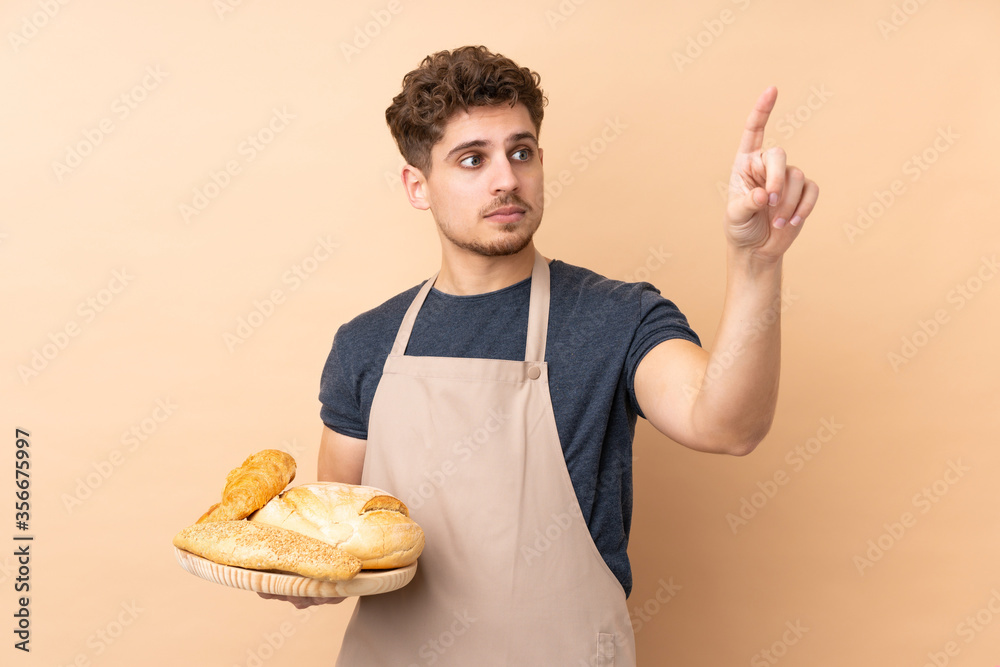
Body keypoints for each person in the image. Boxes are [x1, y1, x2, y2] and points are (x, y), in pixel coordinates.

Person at [264, 45, 819, 666]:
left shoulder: (616, 317)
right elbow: (332, 547)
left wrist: (756, 262)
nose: (506, 178)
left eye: (520, 152)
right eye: (472, 159)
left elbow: (729, 425)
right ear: (417, 187)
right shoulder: (366, 343)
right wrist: (292, 573)